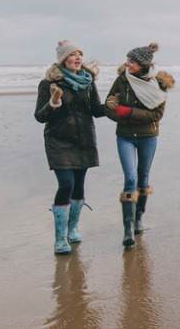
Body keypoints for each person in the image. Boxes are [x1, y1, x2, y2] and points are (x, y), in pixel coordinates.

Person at [34, 40, 106, 255]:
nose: (78, 58)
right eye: (73, 55)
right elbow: (40, 116)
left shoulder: (87, 81)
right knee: (66, 184)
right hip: (59, 141)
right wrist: (54, 103)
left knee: (79, 186)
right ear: (63, 59)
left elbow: (96, 109)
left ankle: (72, 228)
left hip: (83, 140)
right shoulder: (48, 84)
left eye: (79, 55)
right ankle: (60, 238)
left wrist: (115, 106)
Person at [105, 42, 175, 248]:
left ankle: (138, 219)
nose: (127, 64)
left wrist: (126, 112)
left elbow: (157, 114)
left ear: (143, 64)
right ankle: (127, 229)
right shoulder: (122, 80)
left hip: (148, 136)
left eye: (132, 61)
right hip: (125, 136)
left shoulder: (159, 84)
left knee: (143, 178)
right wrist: (117, 112)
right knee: (130, 178)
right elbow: (109, 105)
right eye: (127, 60)